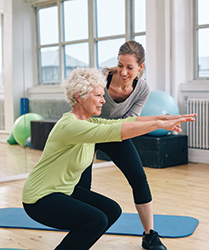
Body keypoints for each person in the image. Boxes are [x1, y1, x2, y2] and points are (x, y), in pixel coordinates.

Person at [22, 67, 196, 250]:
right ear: (79, 96)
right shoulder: (70, 126)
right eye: (98, 95)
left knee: (111, 211)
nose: (103, 101)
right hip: (40, 198)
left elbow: (125, 123)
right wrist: (159, 124)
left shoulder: (89, 121)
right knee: (95, 220)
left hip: (63, 191)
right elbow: (117, 131)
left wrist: (166, 118)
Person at [75, 40, 181, 250]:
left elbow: (130, 121)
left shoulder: (142, 89)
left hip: (115, 133)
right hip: (89, 132)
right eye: (120, 65)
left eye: (130, 67)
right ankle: (81, 228)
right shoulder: (101, 78)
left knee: (139, 178)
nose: (123, 72)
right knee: (82, 186)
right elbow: (79, 108)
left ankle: (149, 235)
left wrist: (158, 122)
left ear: (140, 67)